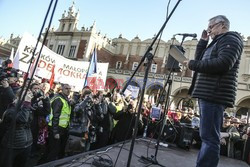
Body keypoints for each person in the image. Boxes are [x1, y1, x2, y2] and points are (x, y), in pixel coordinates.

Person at [183, 15, 243, 167]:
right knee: (207, 137)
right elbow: (200, 61)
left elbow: (223, 63)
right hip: (207, 93)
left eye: (211, 27)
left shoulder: (231, 39)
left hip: (214, 94)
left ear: (222, 25)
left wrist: (192, 64)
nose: (208, 30)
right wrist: (203, 42)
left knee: (210, 138)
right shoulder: (215, 43)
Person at [47, 84, 71, 161]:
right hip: (57, 129)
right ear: (62, 89)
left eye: (69, 89)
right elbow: (55, 116)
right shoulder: (59, 99)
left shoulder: (65, 99)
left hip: (63, 129)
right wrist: (55, 132)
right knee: (53, 152)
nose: (68, 90)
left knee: (58, 151)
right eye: (66, 88)